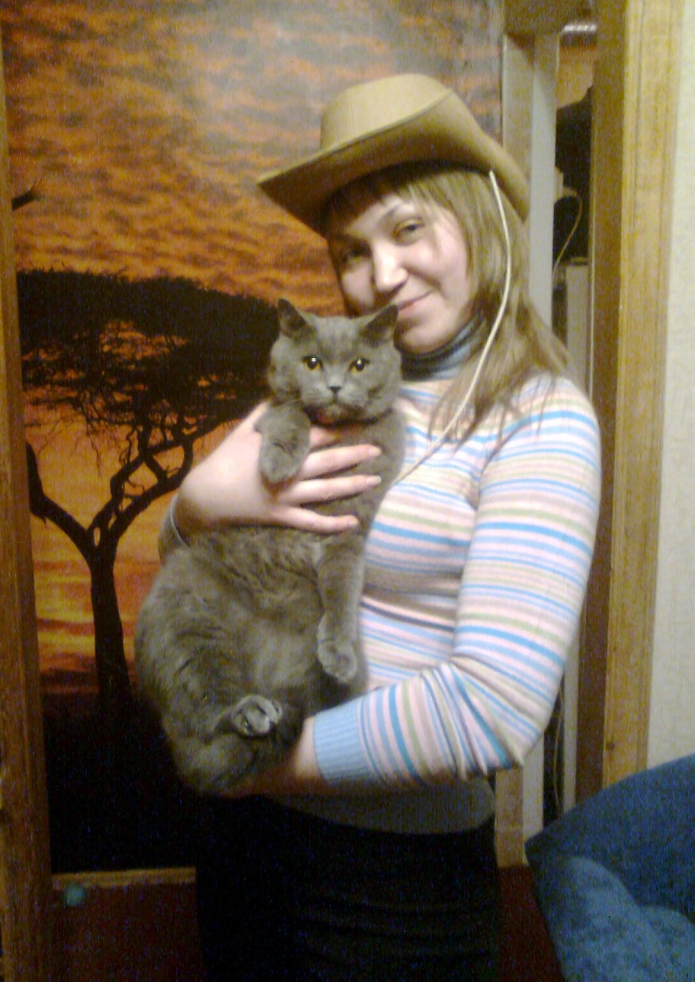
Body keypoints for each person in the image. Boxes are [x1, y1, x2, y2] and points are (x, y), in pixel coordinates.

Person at [157, 73, 601, 981]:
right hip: (243, 842)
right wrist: (193, 505)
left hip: (394, 887)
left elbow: (492, 709)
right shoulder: (327, 391)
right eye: (352, 250)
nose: (382, 275)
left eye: (408, 229)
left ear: (476, 218)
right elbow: (206, 567)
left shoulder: (540, 420)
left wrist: (255, 761)